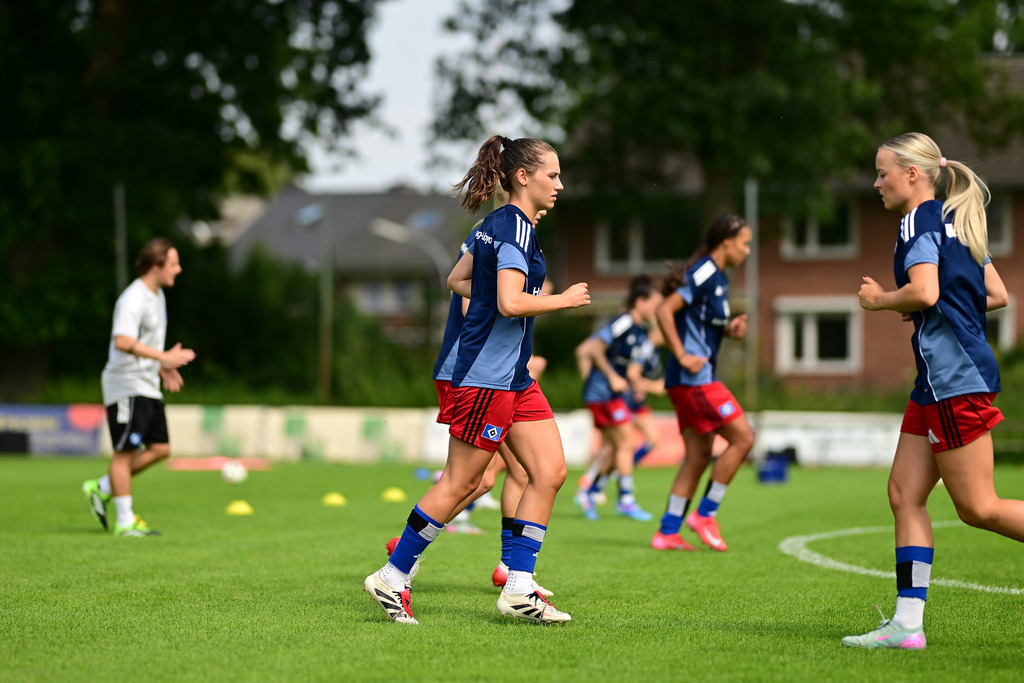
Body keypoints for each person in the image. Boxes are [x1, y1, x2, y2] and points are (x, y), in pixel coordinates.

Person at [364, 135, 590, 625]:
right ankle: (393, 575)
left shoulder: (496, 224)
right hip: (487, 377)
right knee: (465, 481)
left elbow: (457, 279)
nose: (560, 184)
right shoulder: (515, 228)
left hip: (512, 377)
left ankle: (519, 586)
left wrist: (497, 296)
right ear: (523, 176)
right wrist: (563, 300)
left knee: (548, 471)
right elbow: (510, 302)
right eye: (552, 175)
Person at [842, 132, 1021, 650]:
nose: (876, 183)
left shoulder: (917, 219)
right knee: (904, 493)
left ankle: (907, 625)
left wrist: (879, 301)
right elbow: (997, 294)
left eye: (882, 173)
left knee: (978, 507)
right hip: (937, 381)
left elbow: (925, 291)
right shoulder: (955, 217)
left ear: (913, 174)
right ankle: (907, 626)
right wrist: (940, 312)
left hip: (952, 377)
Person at [650, 214, 755, 552]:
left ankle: (667, 531)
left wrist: (727, 330)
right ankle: (705, 514)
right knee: (743, 438)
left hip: (686, 381)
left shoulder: (718, 277)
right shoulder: (708, 271)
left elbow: (694, 320)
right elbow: (666, 310)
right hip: (695, 379)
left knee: (697, 456)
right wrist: (681, 355)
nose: (748, 250)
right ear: (726, 242)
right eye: (744, 243)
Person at [82, 238, 196, 537]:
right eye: (173, 264)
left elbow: (142, 342)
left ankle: (102, 487)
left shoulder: (157, 296)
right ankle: (125, 521)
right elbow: (122, 340)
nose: (179, 269)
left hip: (147, 384)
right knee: (124, 453)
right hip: (127, 385)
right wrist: (163, 356)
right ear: (156, 265)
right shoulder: (133, 298)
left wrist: (162, 365)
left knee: (160, 448)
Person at [574, 275, 662, 521]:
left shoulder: (640, 329)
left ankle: (591, 492)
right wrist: (612, 376)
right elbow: (593, 349)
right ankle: (623, 499)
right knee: (624, 444)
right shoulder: (624, 321)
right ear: (641, 302)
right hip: (601, 393)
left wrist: (634, 382)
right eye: (654, 304)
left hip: (612, 395)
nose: (656, 310)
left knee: (618, 447)